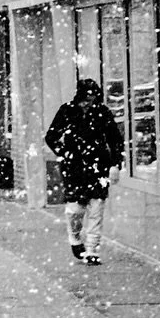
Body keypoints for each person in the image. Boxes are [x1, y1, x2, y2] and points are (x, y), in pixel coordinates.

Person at [45, 77, 124, 264]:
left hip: (98, 166)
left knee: (97, 209)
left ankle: (92, 250)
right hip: (74, 167)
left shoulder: (102, 112)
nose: (90, 103)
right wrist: (64, 153)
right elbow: (51, 136)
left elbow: (114, 139)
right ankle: (75, 237)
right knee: (75, 210)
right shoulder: (67, 111)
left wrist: (115, 164)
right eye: (87, 99)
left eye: (93, 99)